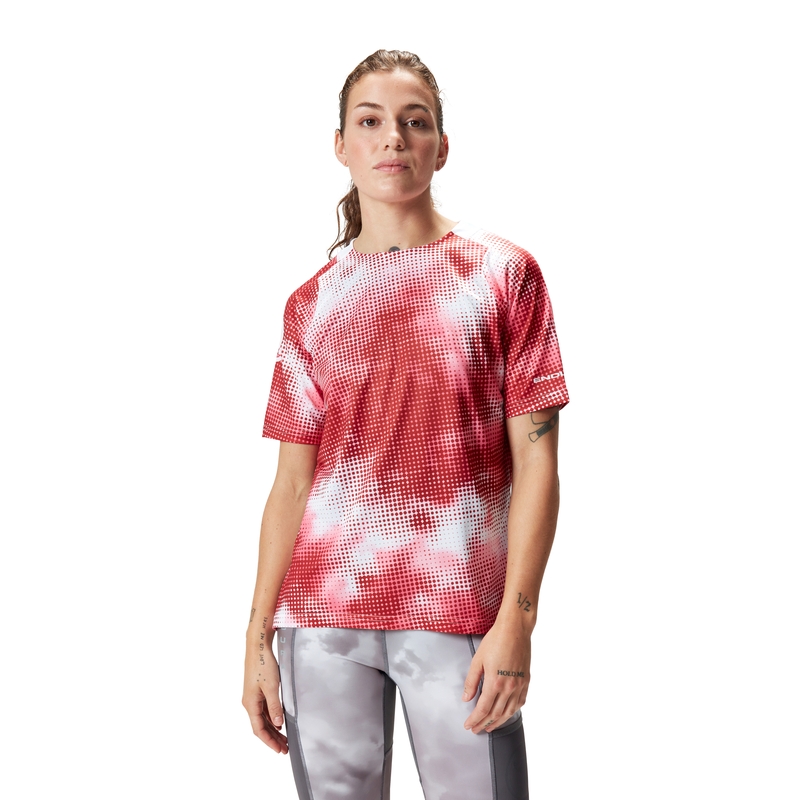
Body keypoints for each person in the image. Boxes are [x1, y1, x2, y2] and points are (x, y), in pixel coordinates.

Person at [243, 49, 569, 800]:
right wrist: (257, 636)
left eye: (414, 122)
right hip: (321, 619)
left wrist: (518, 621)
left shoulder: (503, 274)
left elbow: (538, 464)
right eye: (370, 121)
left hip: (456, 608)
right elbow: (291, 485)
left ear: (441, 147)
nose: (393, 137)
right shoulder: (311, 304)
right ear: (341, 146)